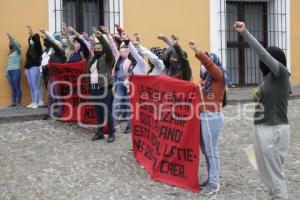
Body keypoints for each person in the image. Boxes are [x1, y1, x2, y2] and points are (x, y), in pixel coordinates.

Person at [234, 21, 290, 200]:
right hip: (263, 127)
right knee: (269, 174)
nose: (263, 61)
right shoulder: (268, 79)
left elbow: (262, 53)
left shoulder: (280, 73)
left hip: (273, 129)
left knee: (275, 175)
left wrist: (245, 34)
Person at [189, 41, 228, 195]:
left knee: (211, 150)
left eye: (206, 63)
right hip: (201, 116)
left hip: (212, 116)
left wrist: (198, 52)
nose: (203, 67)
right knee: (205, 150)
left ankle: (214, 183)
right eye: (202, 65)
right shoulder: (203, 82)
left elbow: (211, 66)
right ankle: (212, 177)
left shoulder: (219, 77)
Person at [87, 27, 115, 143]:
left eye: (99, 48)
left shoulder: (108, 58)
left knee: (106, 110)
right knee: (98, 110)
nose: (97, 50)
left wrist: (100, 37)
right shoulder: (92, 60)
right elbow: (88, 74)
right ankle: (100, 132)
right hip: (94, 88)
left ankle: (112, 132)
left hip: (104, 87)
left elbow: (109, 49)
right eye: (95, 48)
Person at [40, 29, 66, 119]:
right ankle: (49, 113)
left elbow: (55, 45)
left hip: (58, 78)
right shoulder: (52, 56)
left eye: (56, 46)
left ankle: (61, 113)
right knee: (50, 96)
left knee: (58, 96)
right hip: (51, 77)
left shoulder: (62, 54)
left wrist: (49, 39)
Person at [24, 26, 43, 108]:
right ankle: (33, 101)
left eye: (32, 39)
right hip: (28, 67)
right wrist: (25, 69)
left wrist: (31, 31)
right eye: (30, 39)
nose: (31, 40)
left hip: (35, 67)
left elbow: (36, 40)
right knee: (31, 85)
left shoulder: (38, 47)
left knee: (35, 85)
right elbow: (27, 59)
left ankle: (37, 102)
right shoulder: (29, 48)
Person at [6, 33, 22, 107]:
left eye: (11, 43)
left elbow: (15, 44)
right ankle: (13, 102)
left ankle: (18, 103)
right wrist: (6, 71)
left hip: (16, 70)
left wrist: (10, 37)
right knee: (13, 87)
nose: (11, 44)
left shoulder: (18, 51)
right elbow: (8, 63)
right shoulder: (10, 53)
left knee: (17, 87)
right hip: (10, 71)